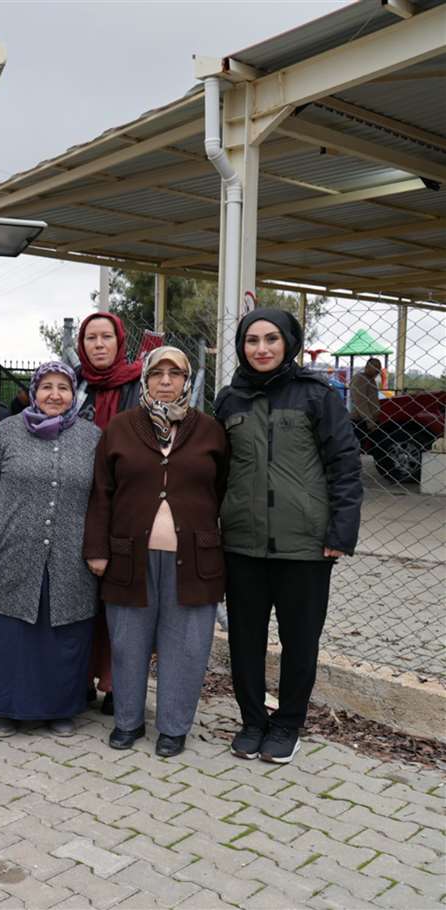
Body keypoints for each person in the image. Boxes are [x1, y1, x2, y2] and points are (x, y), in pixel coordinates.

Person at [215, 308, 362, 765]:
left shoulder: (317, 396)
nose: (261, 349)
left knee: (300, 641)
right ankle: (253, 720)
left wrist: (341, 531)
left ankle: (288, 724)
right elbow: (215, 471)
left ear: (289, 343)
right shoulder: (228, 400)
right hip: (242, 544)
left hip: (306, 546)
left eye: (271, 339)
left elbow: (345, 465)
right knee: (244, 638)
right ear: (241, 346)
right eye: (252, 340)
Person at [84, 348, 228, 757]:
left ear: (187, 380)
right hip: (129, 556)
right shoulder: (120, 428)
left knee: (186, 646)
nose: (166, 381)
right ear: (145, 379)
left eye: (175, 373)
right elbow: (101, 493)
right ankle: (128, 721)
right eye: (157, 373)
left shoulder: (209, 430)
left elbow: (221, 492)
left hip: (194, 560)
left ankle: (173, 728)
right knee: (128, 641)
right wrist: (97, 550)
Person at [0, 362, 101, 737]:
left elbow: (105, 497)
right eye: (47, 387)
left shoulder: (91, 437)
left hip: (68, 557)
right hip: (8, 549)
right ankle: (4, 707)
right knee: (10, 635)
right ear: (34, 391)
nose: (55, 395)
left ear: (74, 394)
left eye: (63, 388)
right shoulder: (7, 431)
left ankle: (60, 707)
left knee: (60, 636)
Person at [75, 311, 143, 716]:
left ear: (120, 343)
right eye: (91, 338)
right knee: (80, 599)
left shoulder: (140, 383)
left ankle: (119, 684)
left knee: (123, 601)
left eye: (106, 338)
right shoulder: (72, 384)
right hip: (77, 506)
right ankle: (79, 678)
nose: (99, 345)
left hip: (126, 507)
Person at [349, 357, 381, 443]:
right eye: (376, 367)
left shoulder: (371, 380)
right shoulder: (360, 379)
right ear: (367, 367)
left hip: (369, 420)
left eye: (379, 367)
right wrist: (370, 422)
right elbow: (360, 403)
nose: (378, 370)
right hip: (361, 421)